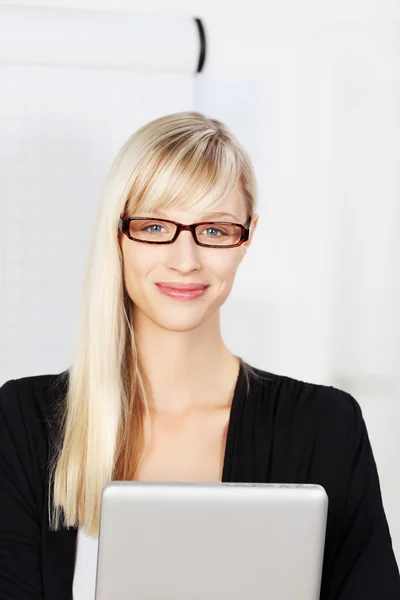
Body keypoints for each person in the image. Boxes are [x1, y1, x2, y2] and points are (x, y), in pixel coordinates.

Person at [0, 111, 399, 600]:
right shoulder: (24, 422)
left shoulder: (326, 426)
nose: (185, 260)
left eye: (214, 230)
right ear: (118, 234)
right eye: (154, 227)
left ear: (247, 236)